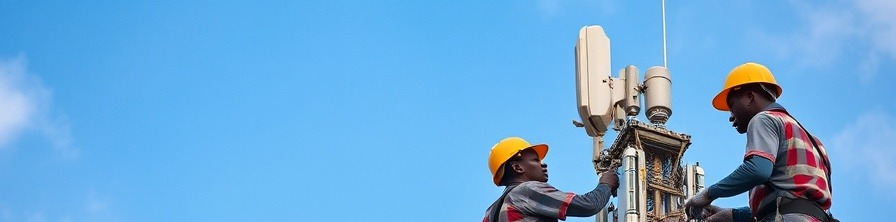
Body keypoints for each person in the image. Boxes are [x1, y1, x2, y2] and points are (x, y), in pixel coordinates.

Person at [683, 62, 836, 222]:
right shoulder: (813, 142)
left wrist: (707, 194)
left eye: (732, 105)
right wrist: (732, 215)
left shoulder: (763, 119)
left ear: (749, 97)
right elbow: (794, 201)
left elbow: (758, 170)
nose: (730, 115)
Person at [483, 137, 619, 222]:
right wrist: (606, 183)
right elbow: (589, 205)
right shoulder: (527, 191)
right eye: (535, 160)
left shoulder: (490, 213)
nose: (543, 164)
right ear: (518, 168)